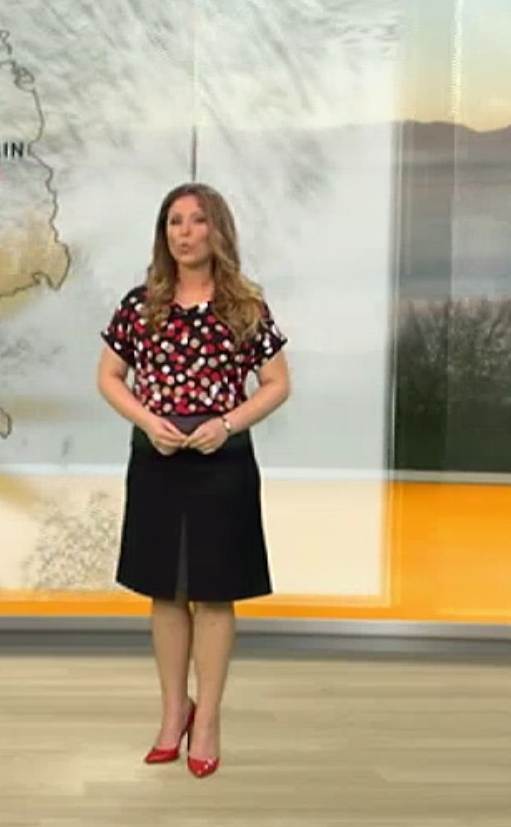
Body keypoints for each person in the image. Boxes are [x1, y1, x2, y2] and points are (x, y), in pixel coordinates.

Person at [95, 182, 291, 779]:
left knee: (213, 591)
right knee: (164, 590)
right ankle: (173, 711)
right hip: (156, 459)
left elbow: (277, 384)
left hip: (222, 464)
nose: (184, 232)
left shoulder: (244, 306)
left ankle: (207, 722)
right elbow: (109, 377)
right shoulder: (141, 305)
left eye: (196, 220)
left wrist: (226, 424)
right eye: (174, 222)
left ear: (217, 229)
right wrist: (147, 420)